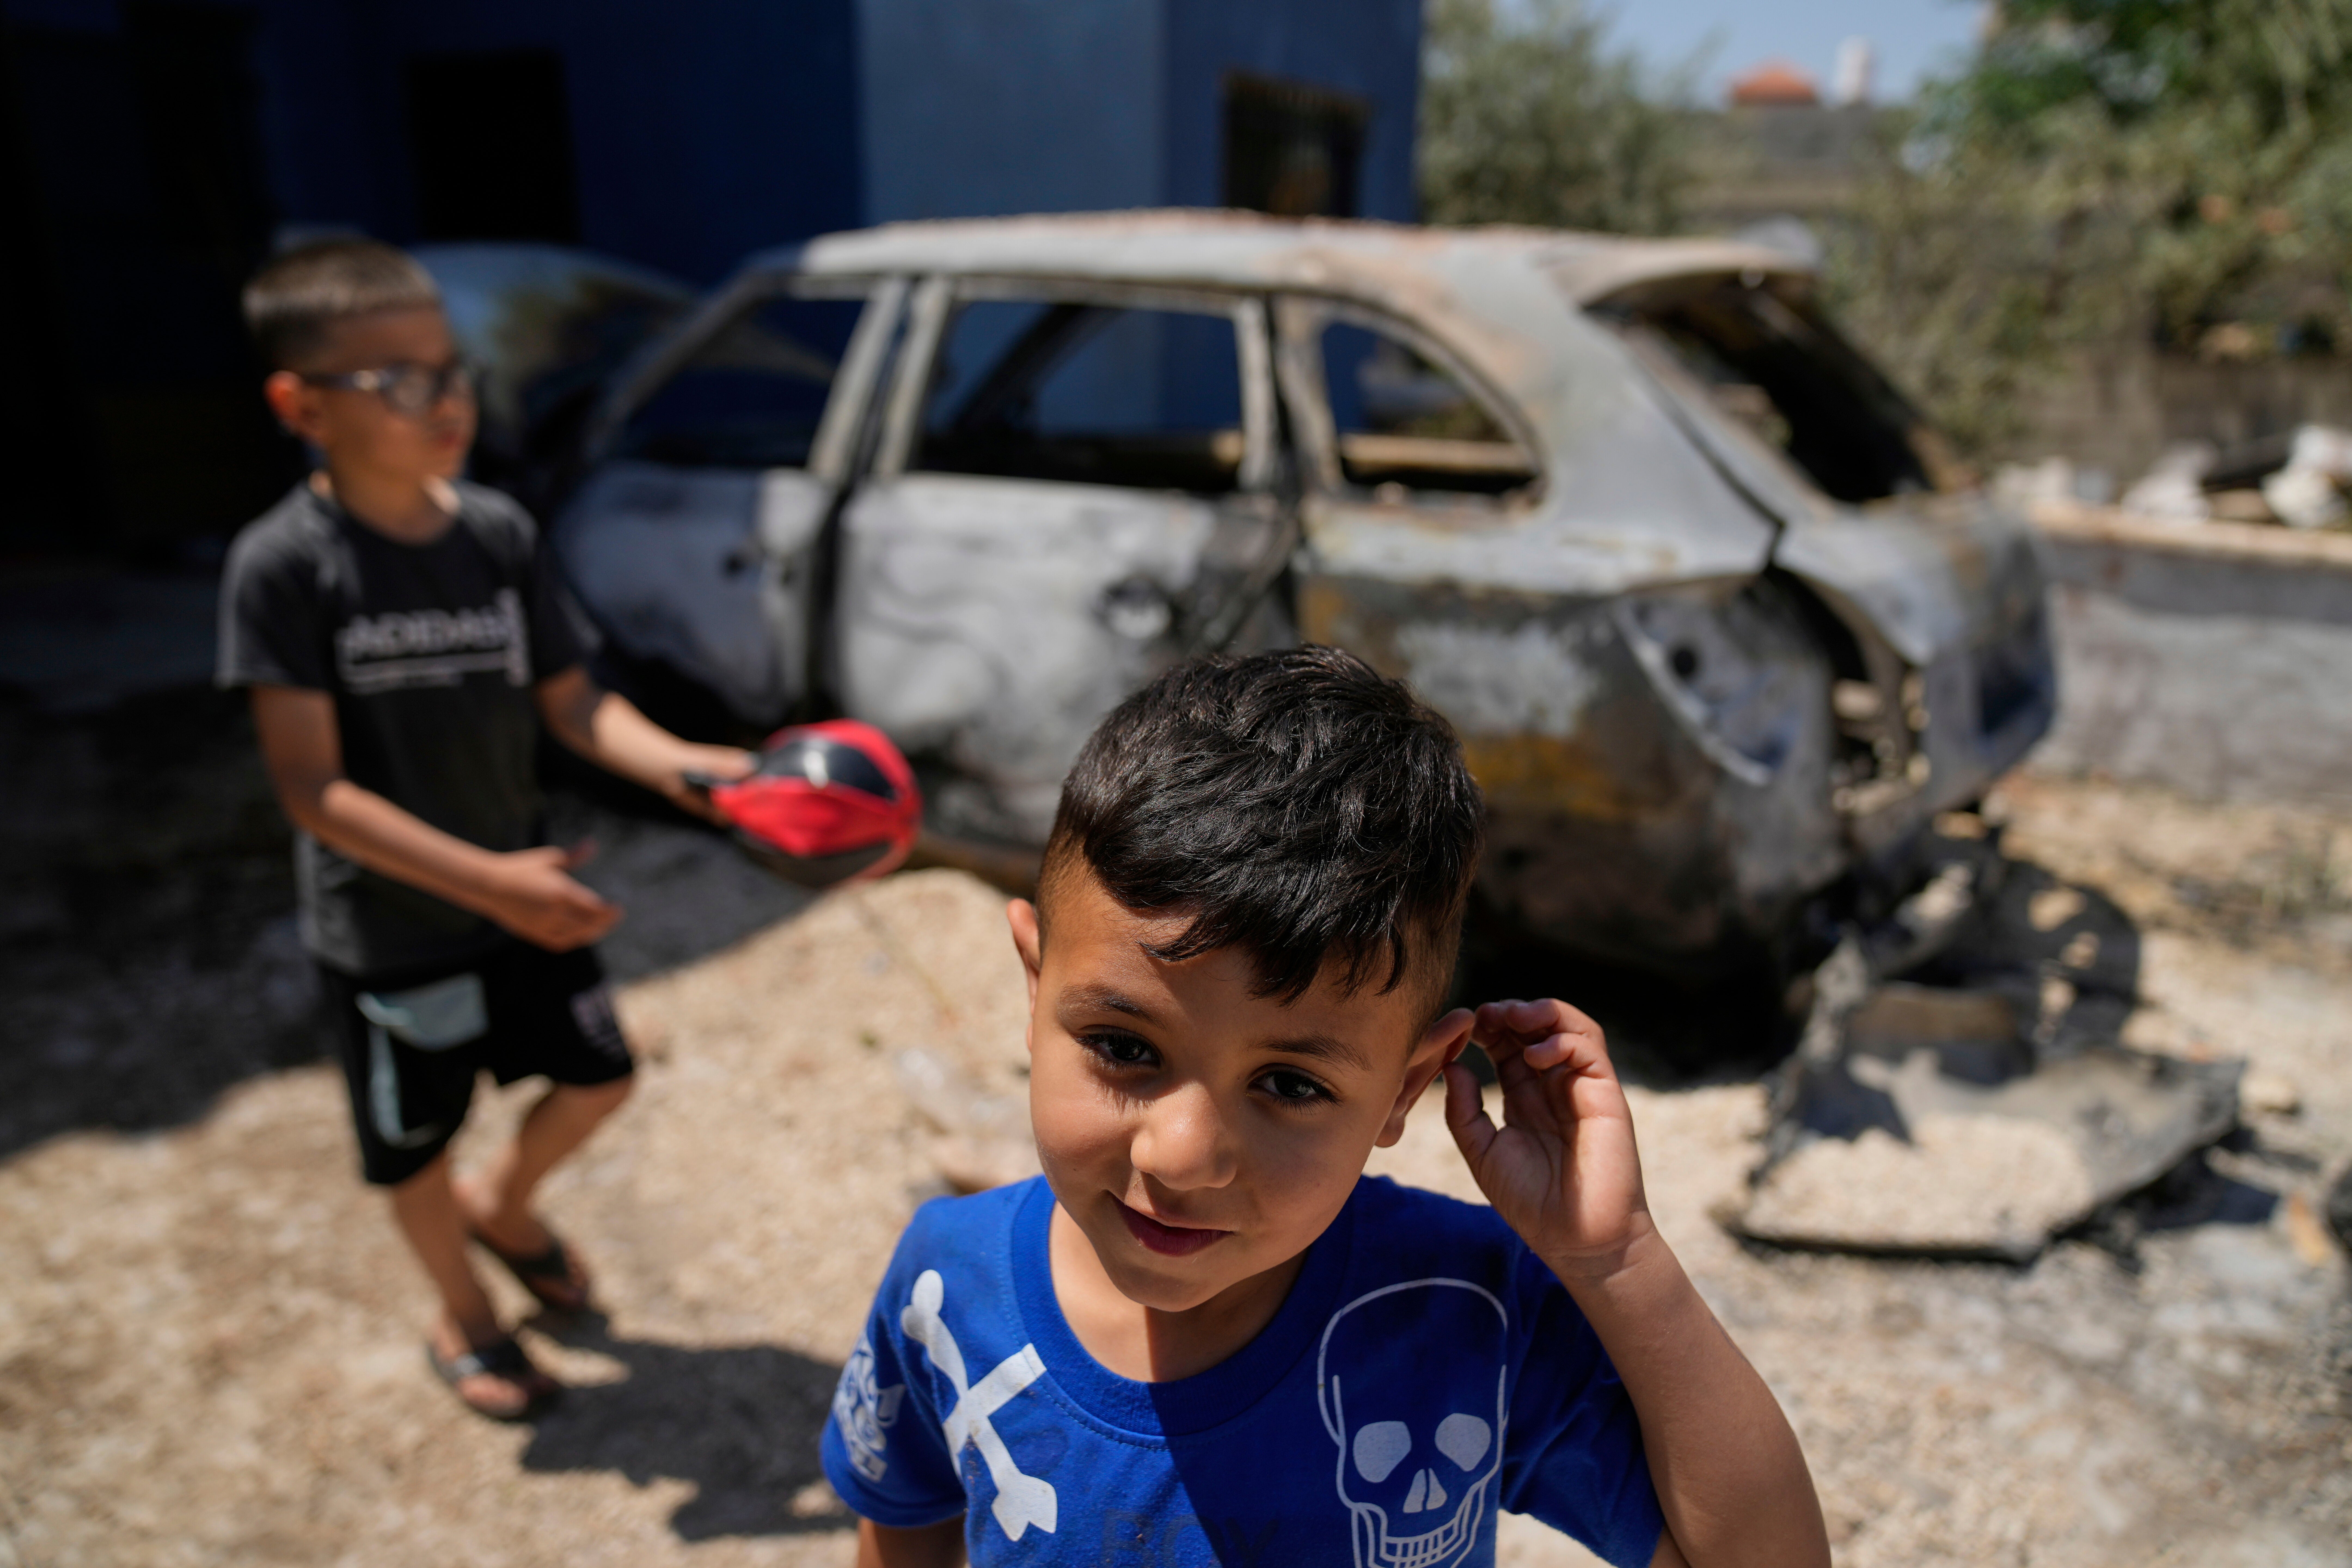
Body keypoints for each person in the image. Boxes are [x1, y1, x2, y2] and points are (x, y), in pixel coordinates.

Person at [821, 648, 1827, 1568]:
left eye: (1292, 1085)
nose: (1182, 1156)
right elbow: (903, 1535)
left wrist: (1619, 1263)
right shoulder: (945, 1291)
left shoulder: (1462, 1312)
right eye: (1125, 1049)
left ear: (1404, 1090)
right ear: (1035, 986)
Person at [217, 238, 754, 1420]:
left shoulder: (500, 536)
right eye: (399, 380)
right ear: (301, 407)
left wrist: (693, 770)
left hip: (527, 897)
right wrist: (491, 884)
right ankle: (462, 1310)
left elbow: (576, 702)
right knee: (414, 1145)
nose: (447, 400)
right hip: (396, 930)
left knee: (599, 1075)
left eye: (453, 370)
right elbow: (312, 790)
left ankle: (505, 1205)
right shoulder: (284, 569)